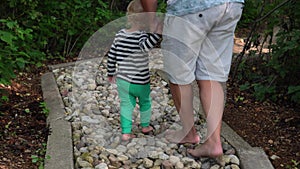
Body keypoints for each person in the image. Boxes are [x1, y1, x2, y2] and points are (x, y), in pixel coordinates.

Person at [141, 0, 244, 158]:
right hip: (230, 7)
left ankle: (189, 132)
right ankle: (213, 142)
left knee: (178, 74)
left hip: (191, 8)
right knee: (212, 76)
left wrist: (151, 20)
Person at [106, 0, 162, 141]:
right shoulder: (141, 35)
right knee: (145, 102)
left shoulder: (119, 35)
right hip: (140, 81)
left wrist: (110, 72)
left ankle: (126, 132)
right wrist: (157, 34)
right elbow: (146, 47)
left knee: (126, 105)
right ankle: (145, 126)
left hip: (123, 80)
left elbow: (112, 55)